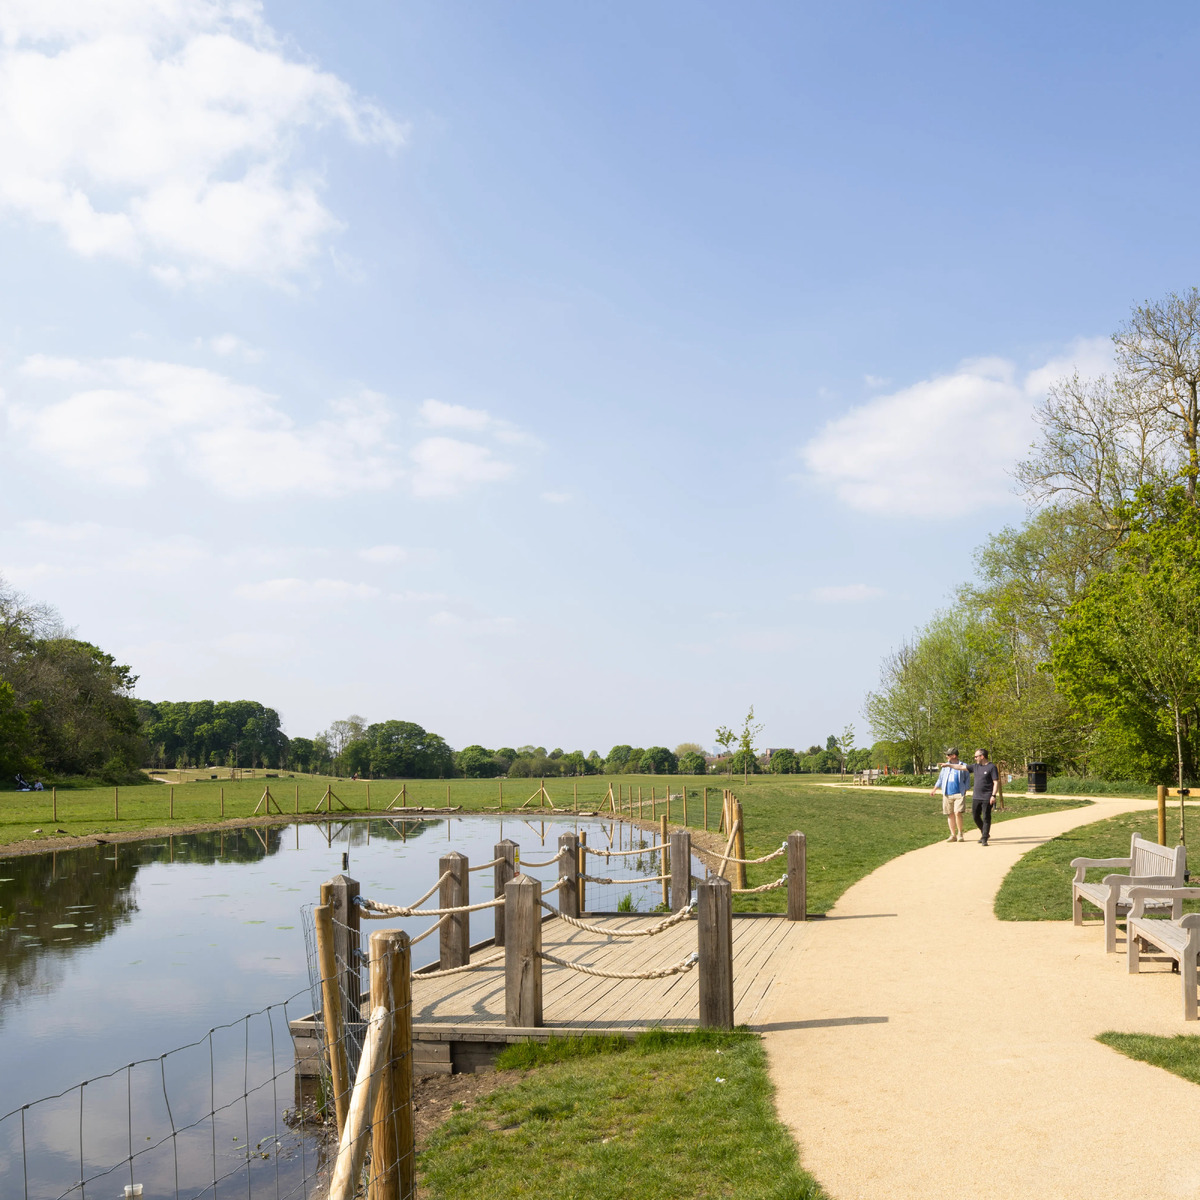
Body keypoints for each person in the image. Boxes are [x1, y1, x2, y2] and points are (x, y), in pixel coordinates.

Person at [931, 748, 969, 842]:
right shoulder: (945, 766)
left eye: (948, 755)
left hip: (959, 793)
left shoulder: (963, 765)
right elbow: (940, 779)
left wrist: (966, 789)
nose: (946, 756)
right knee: (950, 814)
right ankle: (953, 835)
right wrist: (934, 789)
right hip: (947, 793)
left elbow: (967, 778)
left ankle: (960, 834)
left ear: (954, 756)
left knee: (958, 812)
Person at [968, 748, 1000, 845]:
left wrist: (993, 795)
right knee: (975, 816)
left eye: (976, 756)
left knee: (986, 817)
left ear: (982, 756)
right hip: (976, 797)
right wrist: (948, 765)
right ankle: (984, 832)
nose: (975, 758)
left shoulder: (992, 767)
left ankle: (984, 838)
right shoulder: (975, 766)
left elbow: (996, 782)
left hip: (987, 796)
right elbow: (961, 767)